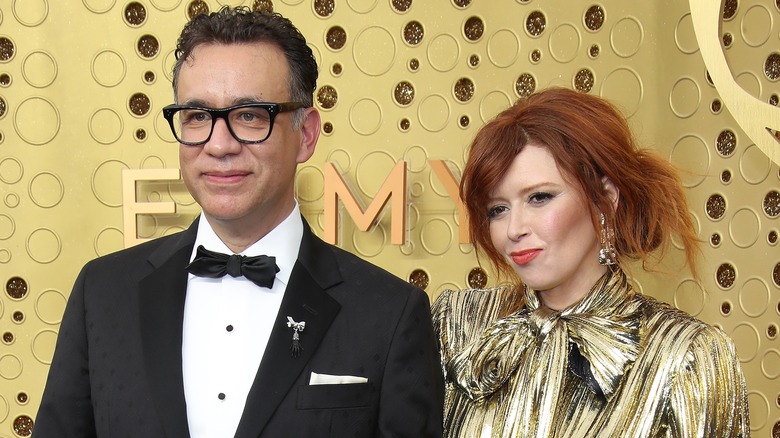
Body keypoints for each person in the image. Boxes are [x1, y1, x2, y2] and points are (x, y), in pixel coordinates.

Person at [35, 7, 443, 438]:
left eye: (249, 115)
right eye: (197, 116)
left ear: (305, 134)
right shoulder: (101, 293)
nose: (220, 144)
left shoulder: (391, 312)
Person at [432, 87, 750, 437]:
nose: (513, 229)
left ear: (605, 201)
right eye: (498, 209)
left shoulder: (686, 355)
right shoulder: (459, 324)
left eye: (540, 197)